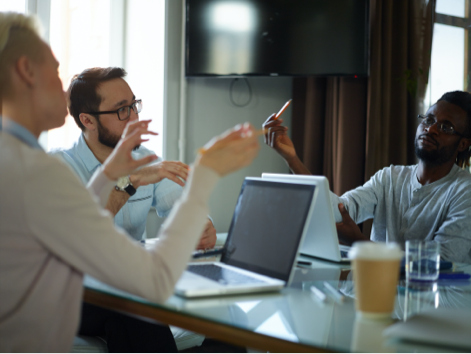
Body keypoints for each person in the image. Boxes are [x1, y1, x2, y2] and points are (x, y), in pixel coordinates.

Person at [0, 11, 259, 352]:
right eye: (56, 69)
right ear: (26, 70)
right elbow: (153, 281)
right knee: (145, 311)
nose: (63, 88)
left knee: (223, 336)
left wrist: (110, 175)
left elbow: (78, 226)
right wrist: (207, 171)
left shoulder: (16, 159)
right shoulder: (41, 169)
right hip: (79, 304)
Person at [263, 91, 471, 263]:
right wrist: (292, 159)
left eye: (445, 127)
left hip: (436, 306)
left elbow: (442, 262)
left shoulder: (464, 190)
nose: (431, 129)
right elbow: (339, 211)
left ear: (463, 144)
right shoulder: (389, 177)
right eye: (429, 119)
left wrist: (359, 242)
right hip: (375, 294)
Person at [51, 66, 216, 249]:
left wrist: (201, 227)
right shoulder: (57, 167)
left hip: (134, 274)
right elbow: (77, 236)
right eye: (122, 110)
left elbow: (180, 205)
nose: (134, 119)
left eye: (133, 106)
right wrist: (131, 181)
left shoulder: (146, 159)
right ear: (88, 121)